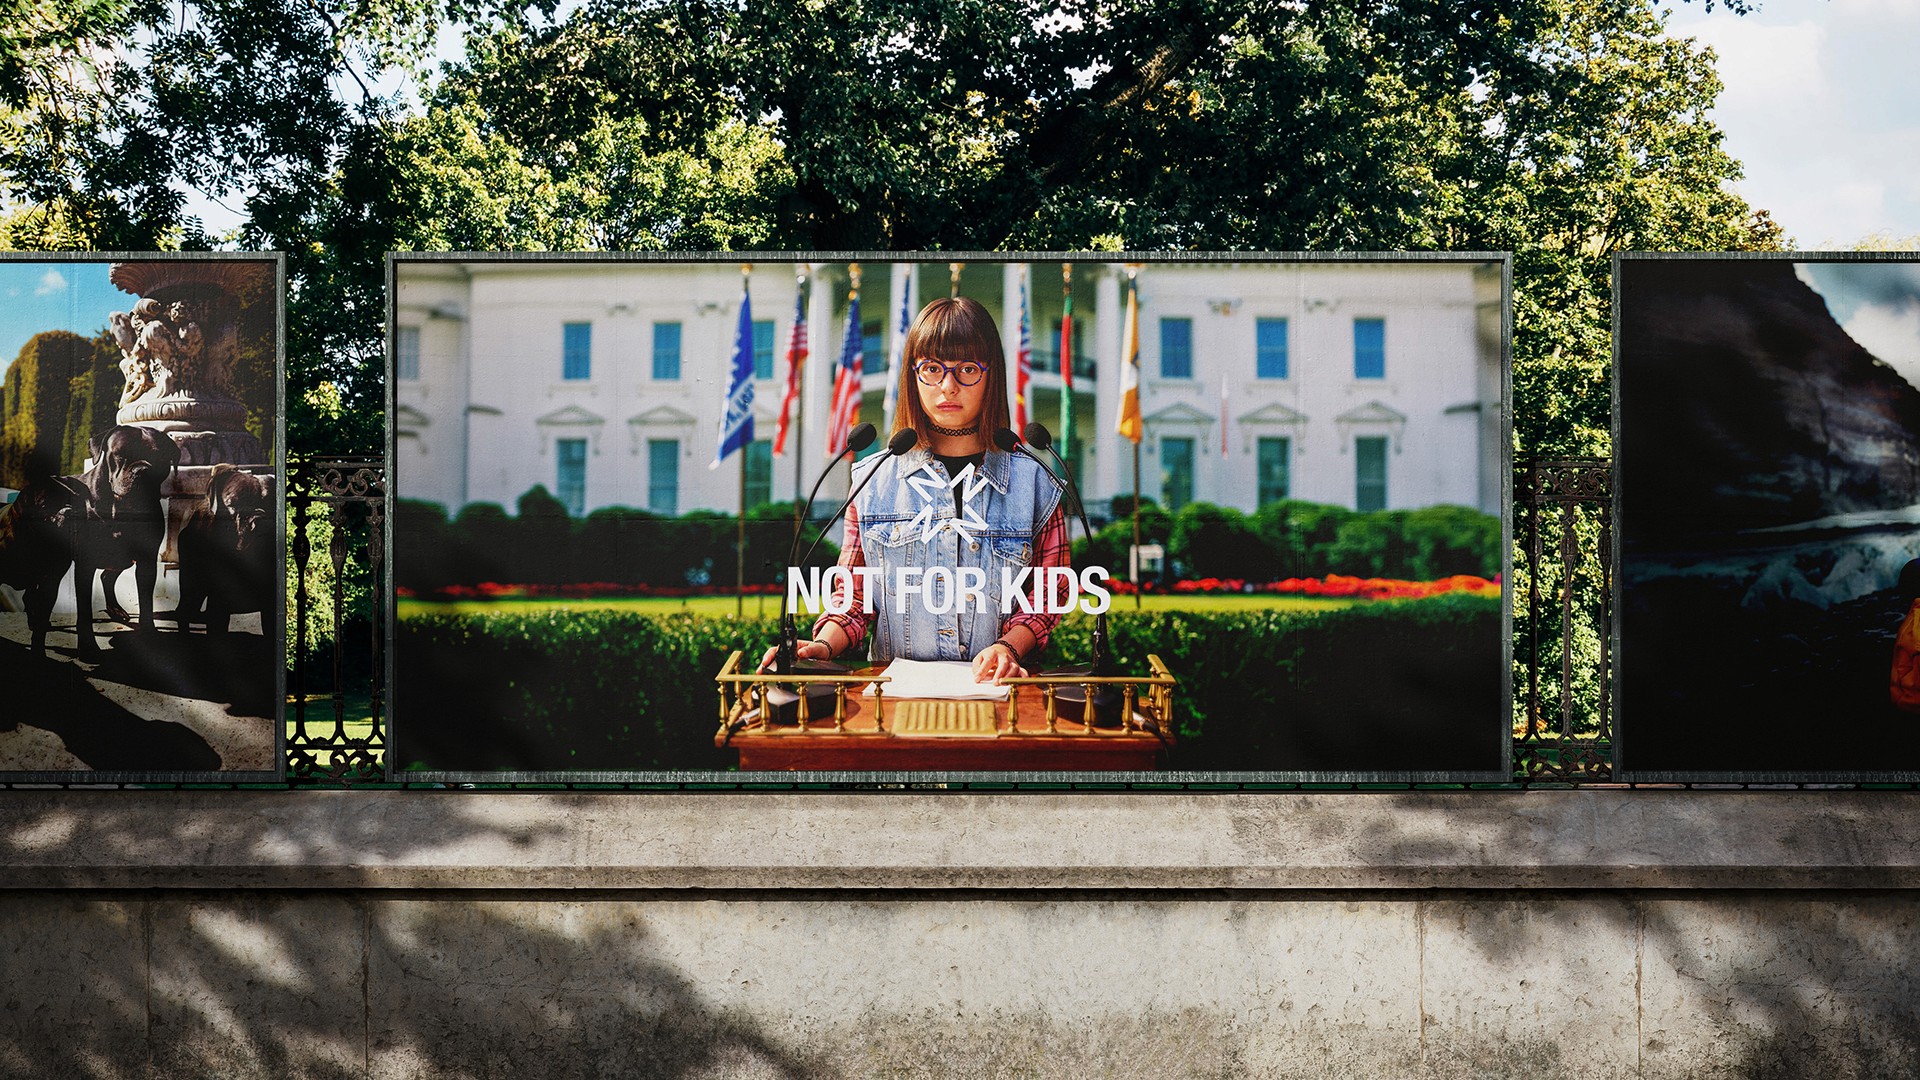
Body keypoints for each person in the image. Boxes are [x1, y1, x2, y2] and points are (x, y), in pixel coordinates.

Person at [763, 296, 1073, 684]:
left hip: (1000, 697)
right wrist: (820, 648)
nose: (948, 386)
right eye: (931, 369)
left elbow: (1047, 597)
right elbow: (854, 602)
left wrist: (1009, 647)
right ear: (913, 375)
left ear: (992, 375)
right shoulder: (871, 481)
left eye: (967, 369)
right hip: (893, 704)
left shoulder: (1038, 484)